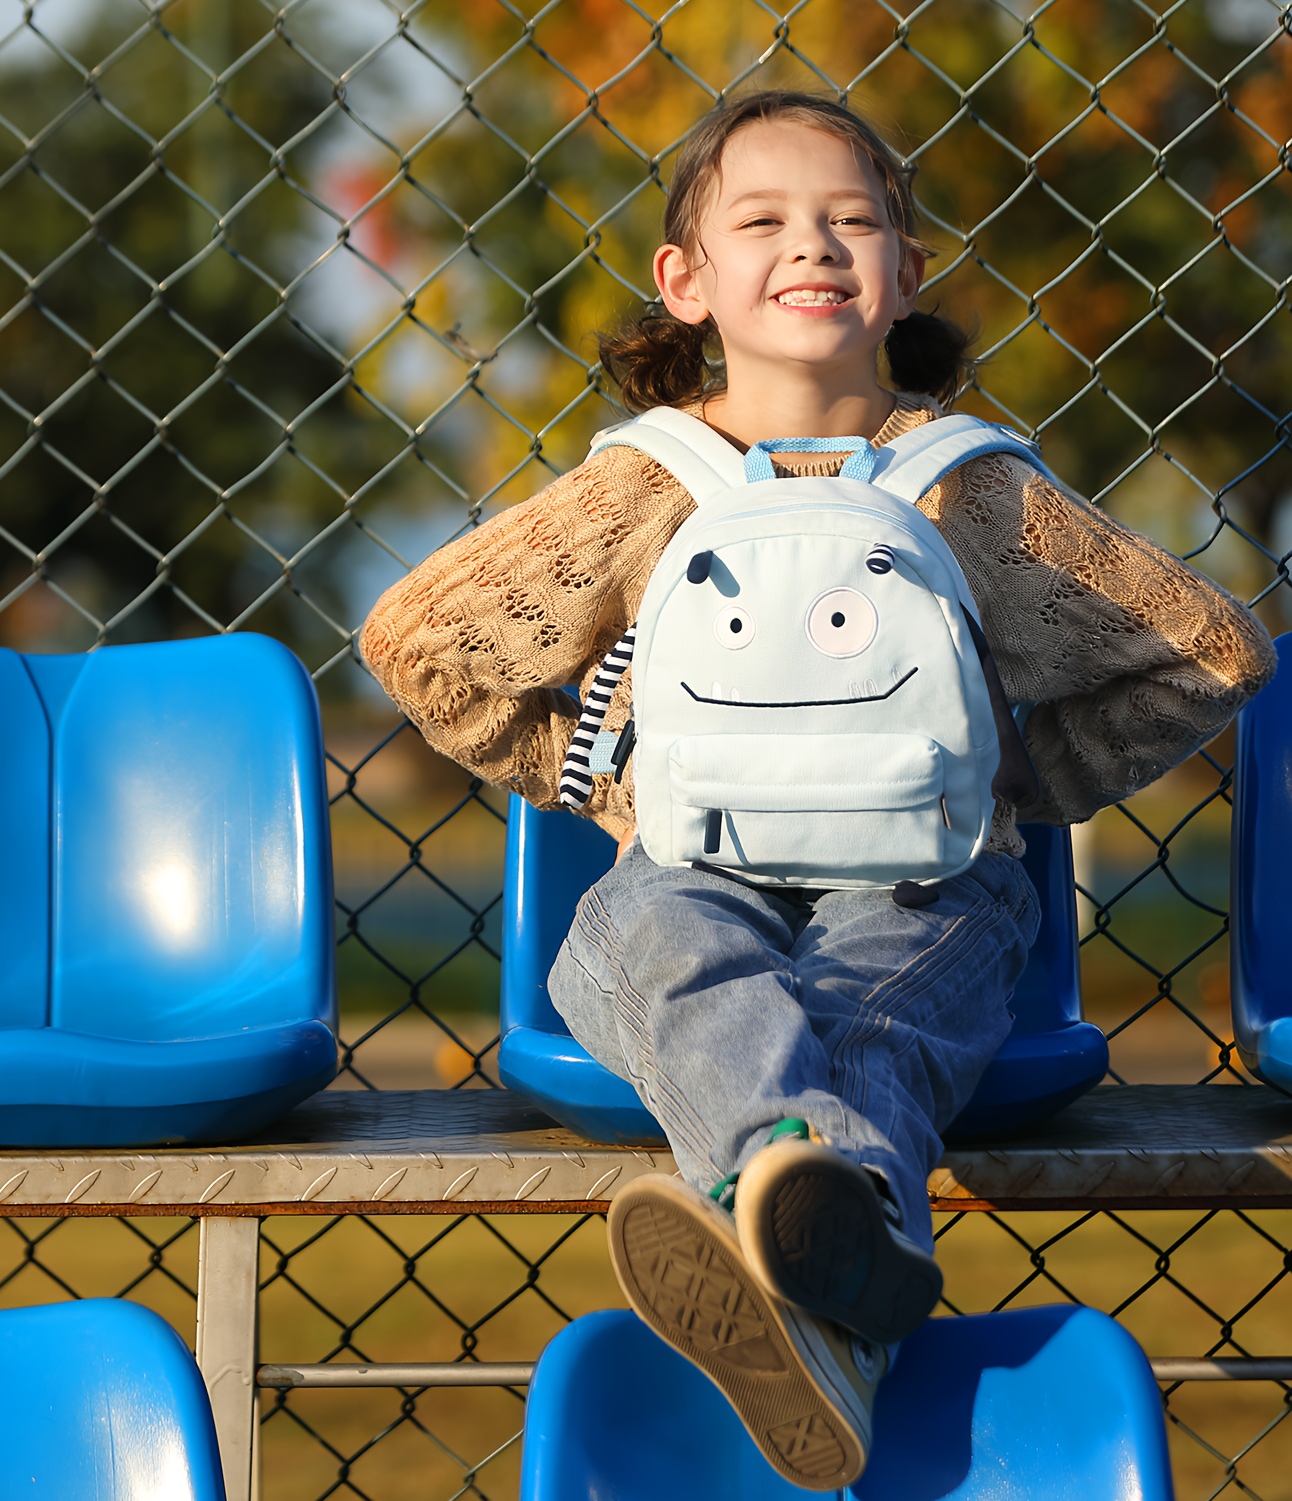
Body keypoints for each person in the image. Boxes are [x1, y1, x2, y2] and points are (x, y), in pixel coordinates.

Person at [361, 89, 1275, 1488]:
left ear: (904, 270)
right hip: (686, 873)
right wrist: (594, 778)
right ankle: (829, 1233)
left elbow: (1208, 649)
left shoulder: (966, 492)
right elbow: (419, 640)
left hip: (924, 883)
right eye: (765, 218)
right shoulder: (637, 492)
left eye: (853, 220)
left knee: (877, 995)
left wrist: (1019, 784)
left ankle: (778, 1220)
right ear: (687, 279)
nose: (815, 245)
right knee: (663, 944)